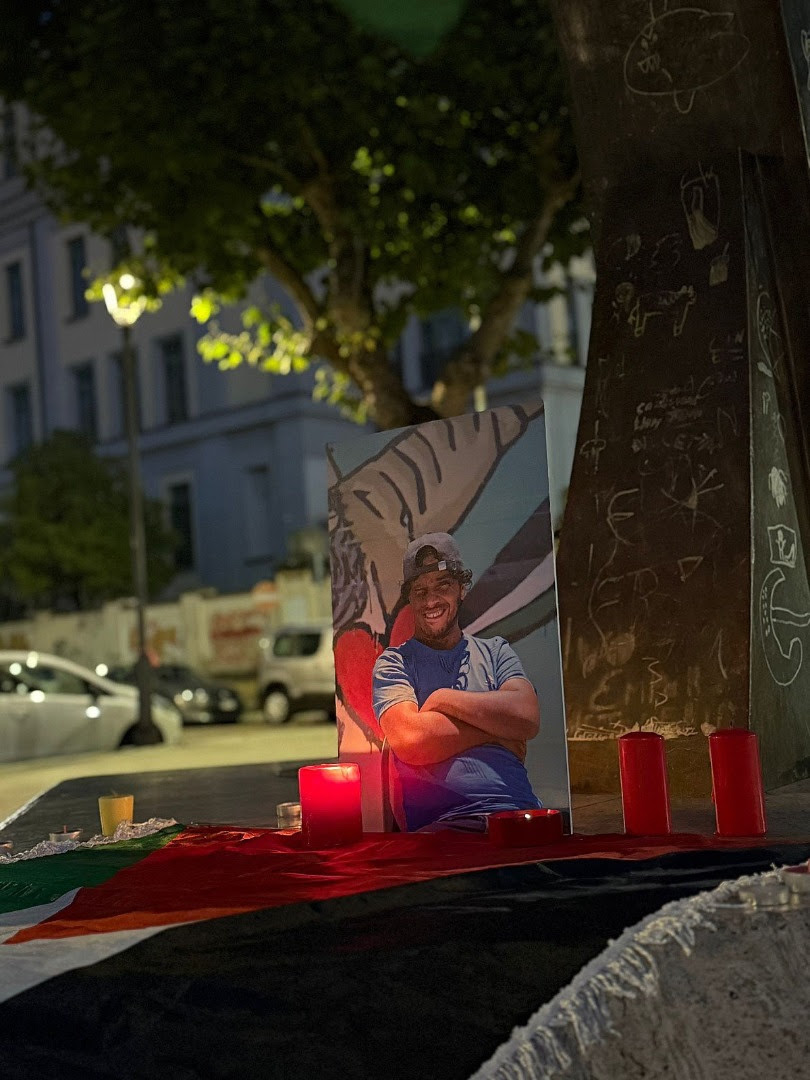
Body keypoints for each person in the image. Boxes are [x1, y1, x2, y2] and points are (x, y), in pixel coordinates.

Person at [372, 532, 541, 832]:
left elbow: (527, 716)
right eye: (420, 591)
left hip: (520, 815)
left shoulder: (495, 651)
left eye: (443, 586)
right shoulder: (394, 663)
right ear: (410, 599)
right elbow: (411, 741)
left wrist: (442, 698)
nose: (431, 601)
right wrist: (498, 733)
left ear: (461, 588)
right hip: (446, 827)